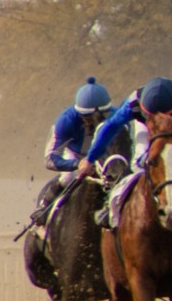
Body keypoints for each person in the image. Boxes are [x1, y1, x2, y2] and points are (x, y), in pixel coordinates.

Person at [80, 77, 172, 227]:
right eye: (150, 115)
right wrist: (90, 159)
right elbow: (109, 127)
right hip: (148, 129)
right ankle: (113, 207)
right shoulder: (133, 103)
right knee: (138, 166)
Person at [27, 77, 118, 227]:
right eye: (90, 118)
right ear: (80, 113)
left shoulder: (117, 116)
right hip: (77, 155)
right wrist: (77, 164)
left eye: (102, 116)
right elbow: (50, 158)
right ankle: (45, 207)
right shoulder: (66, 121)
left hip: (106, 156)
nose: (96, 122)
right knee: (68, 178)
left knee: (119, 178)